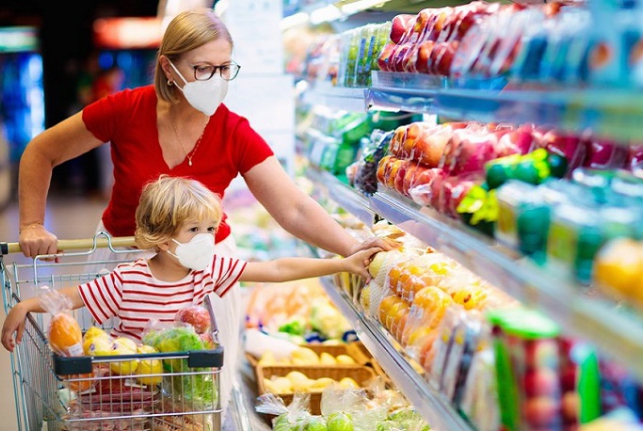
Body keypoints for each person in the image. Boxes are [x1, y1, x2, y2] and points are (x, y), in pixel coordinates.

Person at [15, 7, 393, 426]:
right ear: (169, 67)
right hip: (123, 265)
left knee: (193, 399)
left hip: (202, 271)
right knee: (113, 388)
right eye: (202, 68)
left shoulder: (233, 131)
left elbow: (294, 207)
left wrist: (354, 248)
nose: (216, 79)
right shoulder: (126, 110)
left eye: (224, 68)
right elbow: (41, 152)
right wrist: (32, 223)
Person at [1, 175, 380, 350]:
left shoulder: (208, 270)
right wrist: (26, 305)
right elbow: (74, 296)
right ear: (163, 239)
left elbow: (278, 269)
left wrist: (343, 263)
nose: (206, 239)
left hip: (186, 395)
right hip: (131, 390)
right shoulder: (126, 279)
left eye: (211, 228)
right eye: (194, 229)